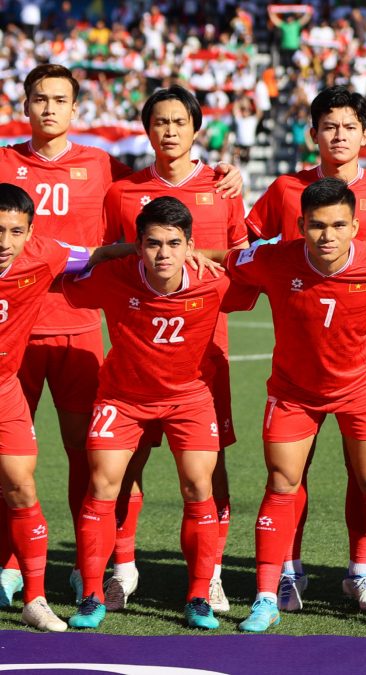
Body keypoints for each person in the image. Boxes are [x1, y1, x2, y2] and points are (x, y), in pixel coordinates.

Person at [0, 64, 241, 608]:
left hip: (85, 331)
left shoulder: (104, 168)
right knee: (10, 460)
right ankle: (12, 563)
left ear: (75, 109)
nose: (48, 109)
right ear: (25, 104)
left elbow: (178, 203)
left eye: (60, 99)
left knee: (95, 461)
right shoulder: (9, 162)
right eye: (39, 98)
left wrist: (226, 176)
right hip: (14, 327)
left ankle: (127, 566)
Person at [222, 178, 366, 634]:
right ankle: (267, 599)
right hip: (294, 392)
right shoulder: (273, 259)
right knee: (281, 483)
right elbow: (225, 261)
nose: (327, 235)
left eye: (337, 225)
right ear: (299, 226)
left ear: (356, 226)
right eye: (316, 226)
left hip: (362, 389)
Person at [247, 84, 366, 616]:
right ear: (312, 133)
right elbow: (245, 246)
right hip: (301, 361)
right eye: (328, 126)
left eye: (349, 127)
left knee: (365, 475)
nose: (338, 136)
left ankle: (361, 573)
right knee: (291, 473)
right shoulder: (284, 189)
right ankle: (288, 574)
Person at [99, 85, 248, 615]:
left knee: (210, 470)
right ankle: (121, 569)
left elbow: (239, 257)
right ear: (147, 129)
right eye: (158, 122)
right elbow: (115, 258)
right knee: (125, 466)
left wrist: (200, 256)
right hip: (138, 356)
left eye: (178, 122)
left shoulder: (223, 185)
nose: (168, 131)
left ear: (195, 127)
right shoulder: (123, 192)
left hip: (206, 356)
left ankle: (209, 579)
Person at [63, 197, 232, 631]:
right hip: (122, 398)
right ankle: (92, 594)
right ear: (138, 246)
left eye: (174, 244)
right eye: (152, 243)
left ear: (189, 245)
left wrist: (209, 256)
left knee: (199, 485)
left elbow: (263, 260)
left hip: (188, 398)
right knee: (101, 483)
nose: (163, 254)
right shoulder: (113, 277)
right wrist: (112, 251)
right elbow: (57, 272)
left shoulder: (215, 281)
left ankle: (198, 595)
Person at [0, 182, 128, 631]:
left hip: (4, 392)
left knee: (22, 486)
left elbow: (96, 254)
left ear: (30, 232)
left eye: (15, 232)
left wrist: (161, 244)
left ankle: (34, 598)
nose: (4, 243)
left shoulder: (45, 253)